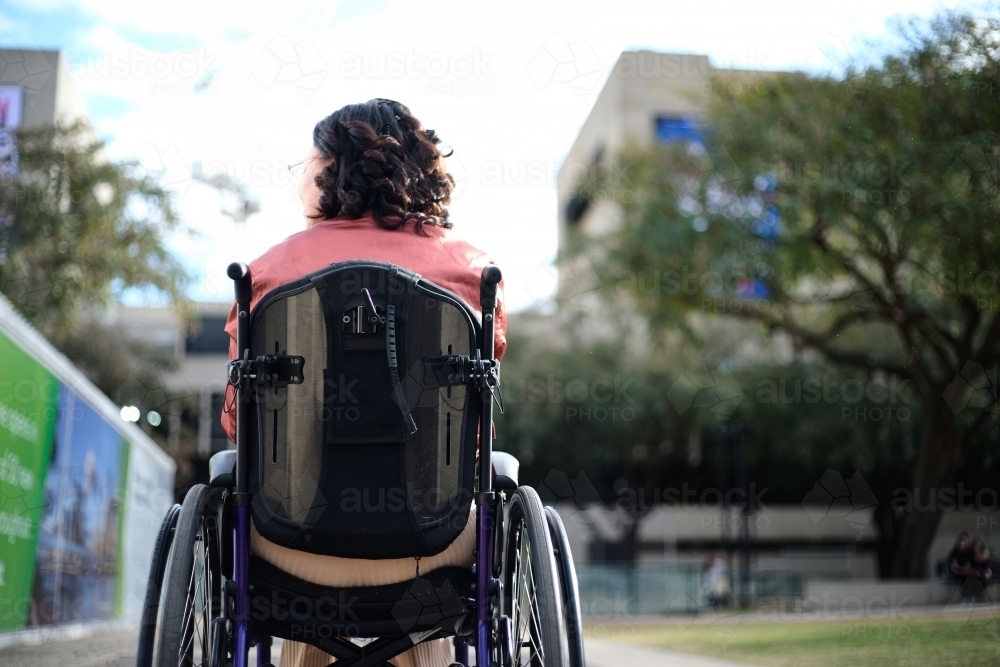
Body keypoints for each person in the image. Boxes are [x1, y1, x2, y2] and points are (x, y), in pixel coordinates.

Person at [221, 99, 507, 667]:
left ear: (330, 169)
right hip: (436, 545)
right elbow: (475, 427)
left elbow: (240, 423)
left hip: (284, 546)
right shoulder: (474, 272)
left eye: (304, 164)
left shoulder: (266, 272)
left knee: (262, 479)